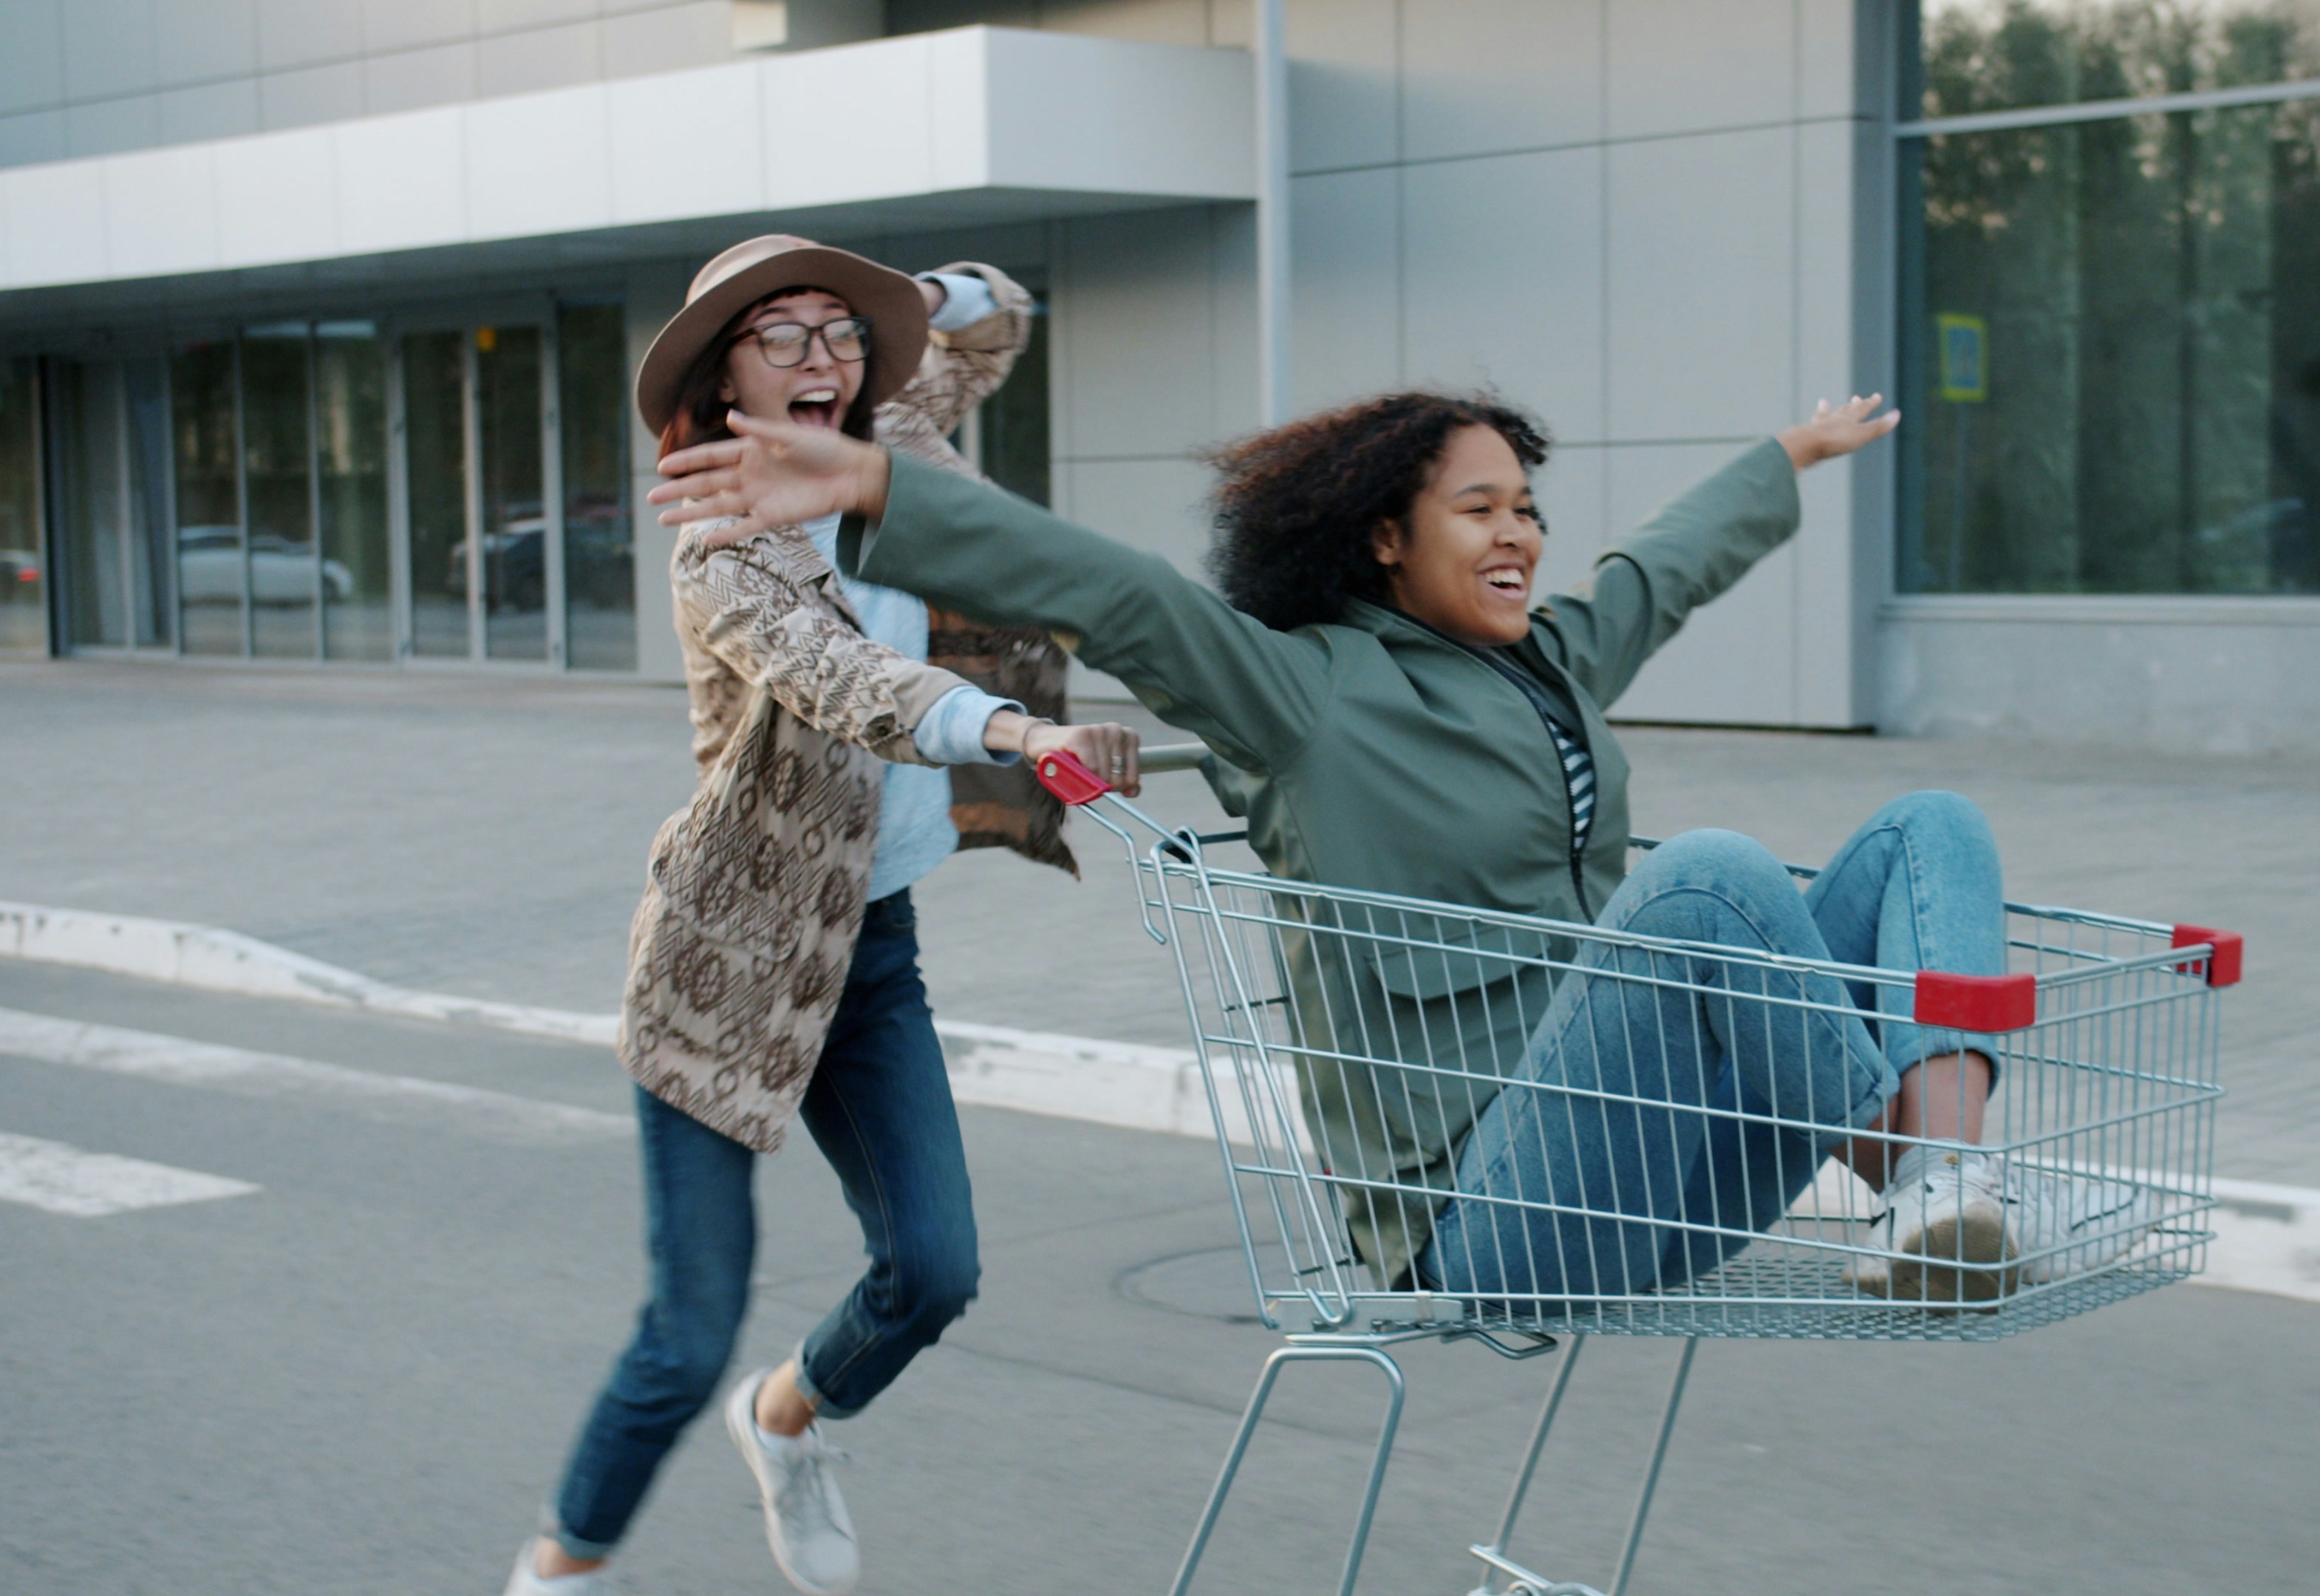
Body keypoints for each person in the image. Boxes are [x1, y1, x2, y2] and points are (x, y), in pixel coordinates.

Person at [646, 385, 2029, 1321]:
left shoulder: (1549, 663)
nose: (1520, 535)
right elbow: (1115, 597)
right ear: (1385, 537)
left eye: (1528, 509)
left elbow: (1658, 570)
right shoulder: (1298, 695)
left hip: (1661, 1169)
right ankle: (1907, 1179)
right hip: (1492, 1208)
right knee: (1715, 874)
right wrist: (883, 480)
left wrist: (1783, 461)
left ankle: (1939, 1185)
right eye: (1481, 507)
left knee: (1930, 829)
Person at [505, 235, 1142, 1596]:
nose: (819, 359)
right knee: (685, 1334)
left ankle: (788, 1425)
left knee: (935, 1270)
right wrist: (1013, 729)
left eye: (836, 333)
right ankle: (560, 1567)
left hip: (872, 952)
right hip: (723, 965)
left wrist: (915, 299)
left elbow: (999, 322)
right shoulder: (719, 537)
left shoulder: (887, 442)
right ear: (724, 376)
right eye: (778, 336)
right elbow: (845, 677)